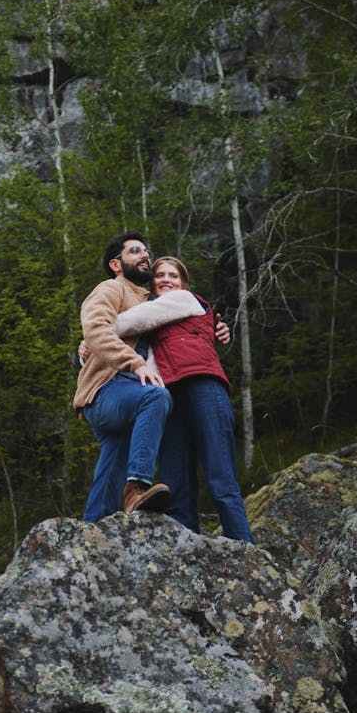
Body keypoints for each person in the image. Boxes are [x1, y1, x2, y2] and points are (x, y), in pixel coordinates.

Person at [113, 256, 254, 543]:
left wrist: (95, 329)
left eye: (173, 275)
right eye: (160, 275)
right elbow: (120, 355)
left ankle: (246, 552)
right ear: (152, 283)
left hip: (203, 386)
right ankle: (188, 566)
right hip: (168, 398)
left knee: (221, 479)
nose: (166, 279)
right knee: (176, 485)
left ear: (183, 283)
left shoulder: (185, 300)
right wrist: (86, 349)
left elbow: (123, 324)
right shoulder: (151, 318)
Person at [74, 231, 174, 520]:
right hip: (107, 390)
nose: (145, 255)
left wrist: (218, 329)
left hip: (127, 396)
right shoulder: (110, 288)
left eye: (146, 251)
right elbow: (94, 329)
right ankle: (137, 487)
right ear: (116, 264)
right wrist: (135, 363)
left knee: (108, 479)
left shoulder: (150, 302)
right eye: (135, 251)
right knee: (156, 397)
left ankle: (90, 535)